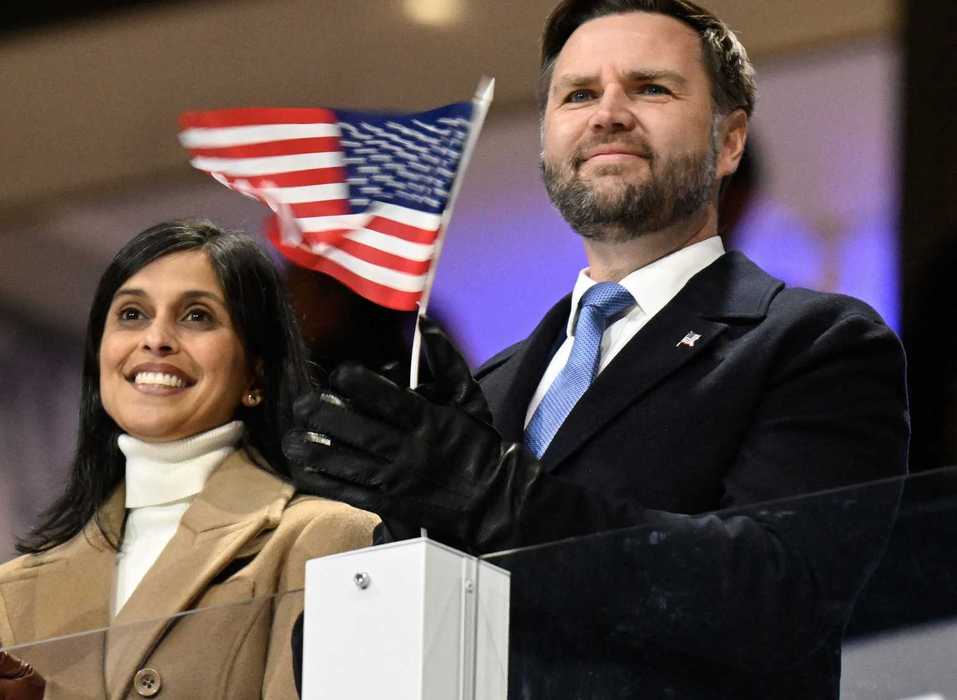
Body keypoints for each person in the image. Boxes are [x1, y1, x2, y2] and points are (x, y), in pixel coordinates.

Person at [285, 1, 908, 697]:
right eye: (579, 94)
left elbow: (775, 601)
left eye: (649, 88)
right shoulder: (491, 389)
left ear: (728, 141)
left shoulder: (815, 343)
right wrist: (412, 534)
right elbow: (338, 663)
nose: (607, 113)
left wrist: (496, 501)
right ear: (548, 142)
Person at [0, 219, 378, 700]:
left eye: (197, 316)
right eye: (131, 314)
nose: (157, 338)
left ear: (256, 374)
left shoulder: (325, 540)